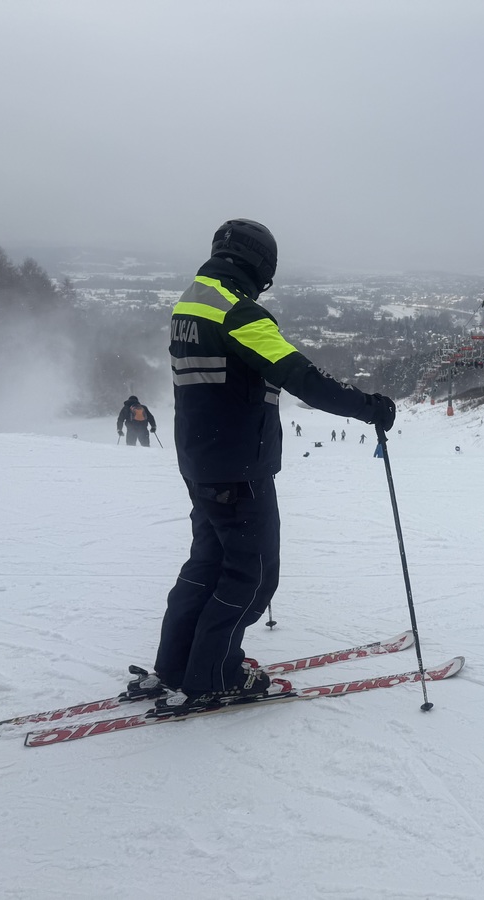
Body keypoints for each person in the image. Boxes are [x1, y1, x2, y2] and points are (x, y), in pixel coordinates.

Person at [143, 218, 396, 716]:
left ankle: (175, 667)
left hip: (201, 462)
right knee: (251, 577)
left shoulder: (191, 301)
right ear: (260, 265)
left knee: (206, 566)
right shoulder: (238, 314)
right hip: (239, 469)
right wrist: (370, 406)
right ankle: (216, 676)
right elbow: (301, 375)